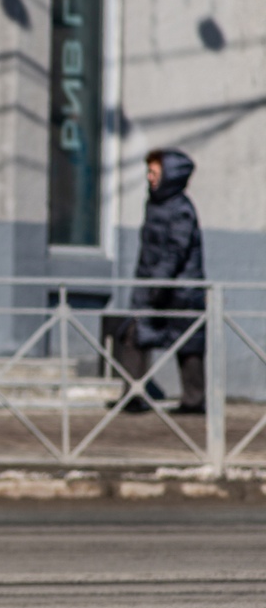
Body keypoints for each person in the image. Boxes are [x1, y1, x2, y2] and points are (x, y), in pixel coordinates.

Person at [117, 148, 206, 414]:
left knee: (189, 343)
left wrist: (159, 283)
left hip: (180, 292)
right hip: (152, 288)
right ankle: (132, 396)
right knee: (134, 334)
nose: (150, 177)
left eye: (155, 172)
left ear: (171, 175)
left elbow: (175, 251)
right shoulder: (154, 203)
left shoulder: (181, 209)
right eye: (149, 172)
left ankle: (194, 401)